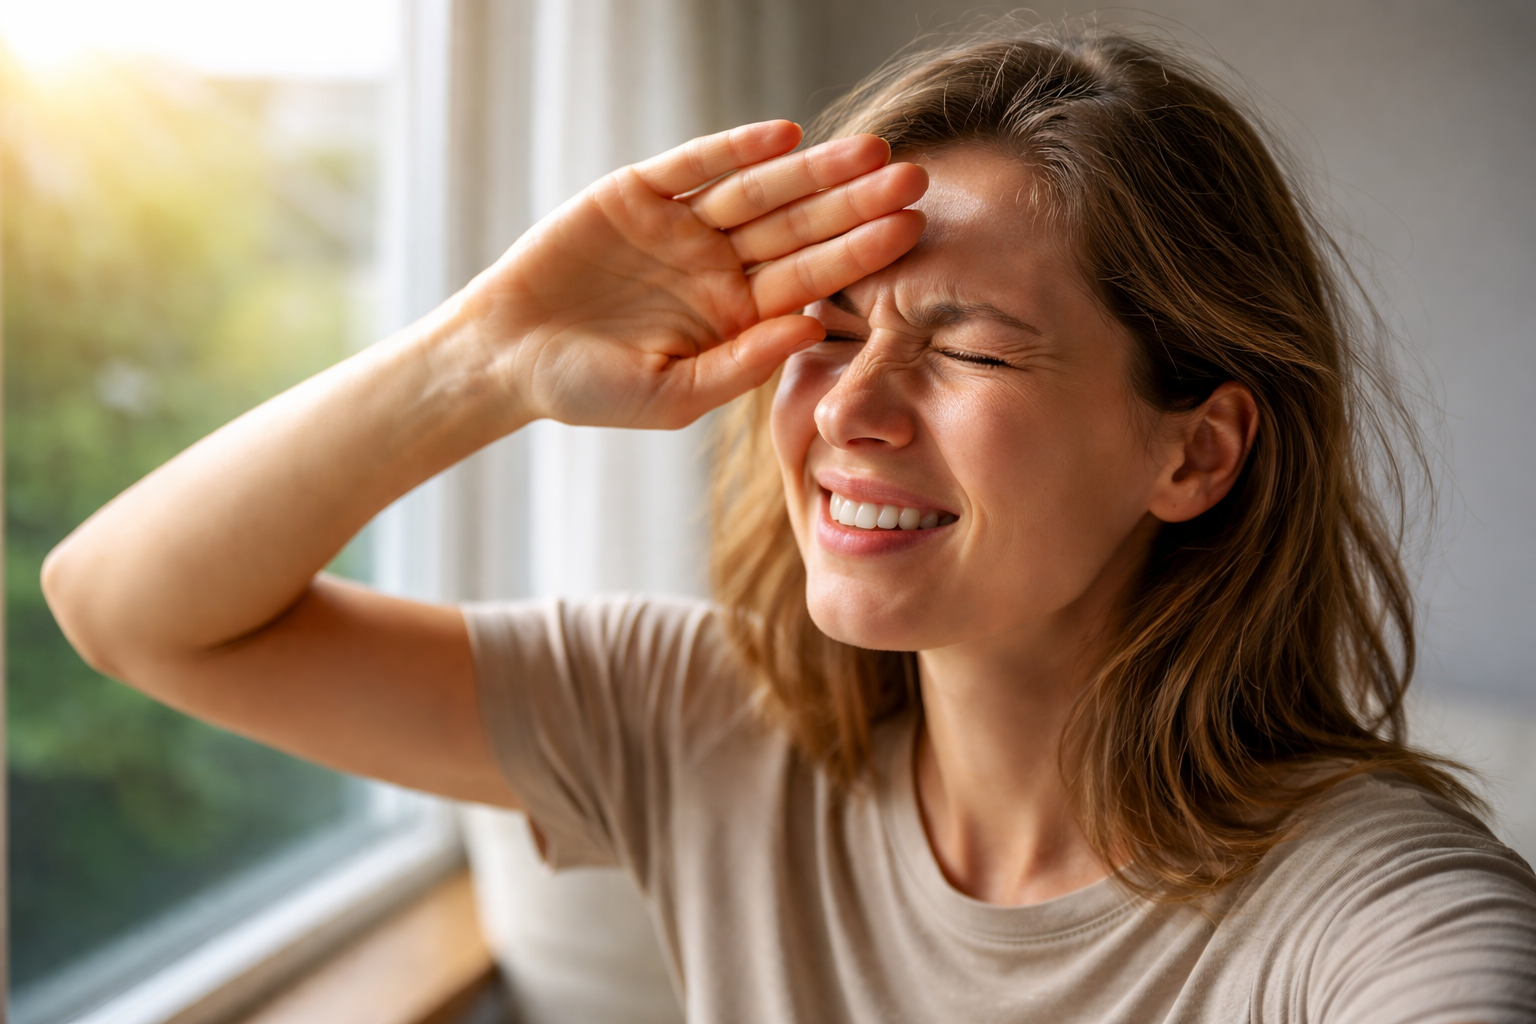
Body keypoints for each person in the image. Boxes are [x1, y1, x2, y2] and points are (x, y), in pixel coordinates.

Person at [42, 27, 1536, 1024]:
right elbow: (126, 608)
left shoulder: (1371, 916)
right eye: (826, 326)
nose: (851, 409)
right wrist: (485, 353)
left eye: (969, 347)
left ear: (1196, 452)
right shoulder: (703, 724)